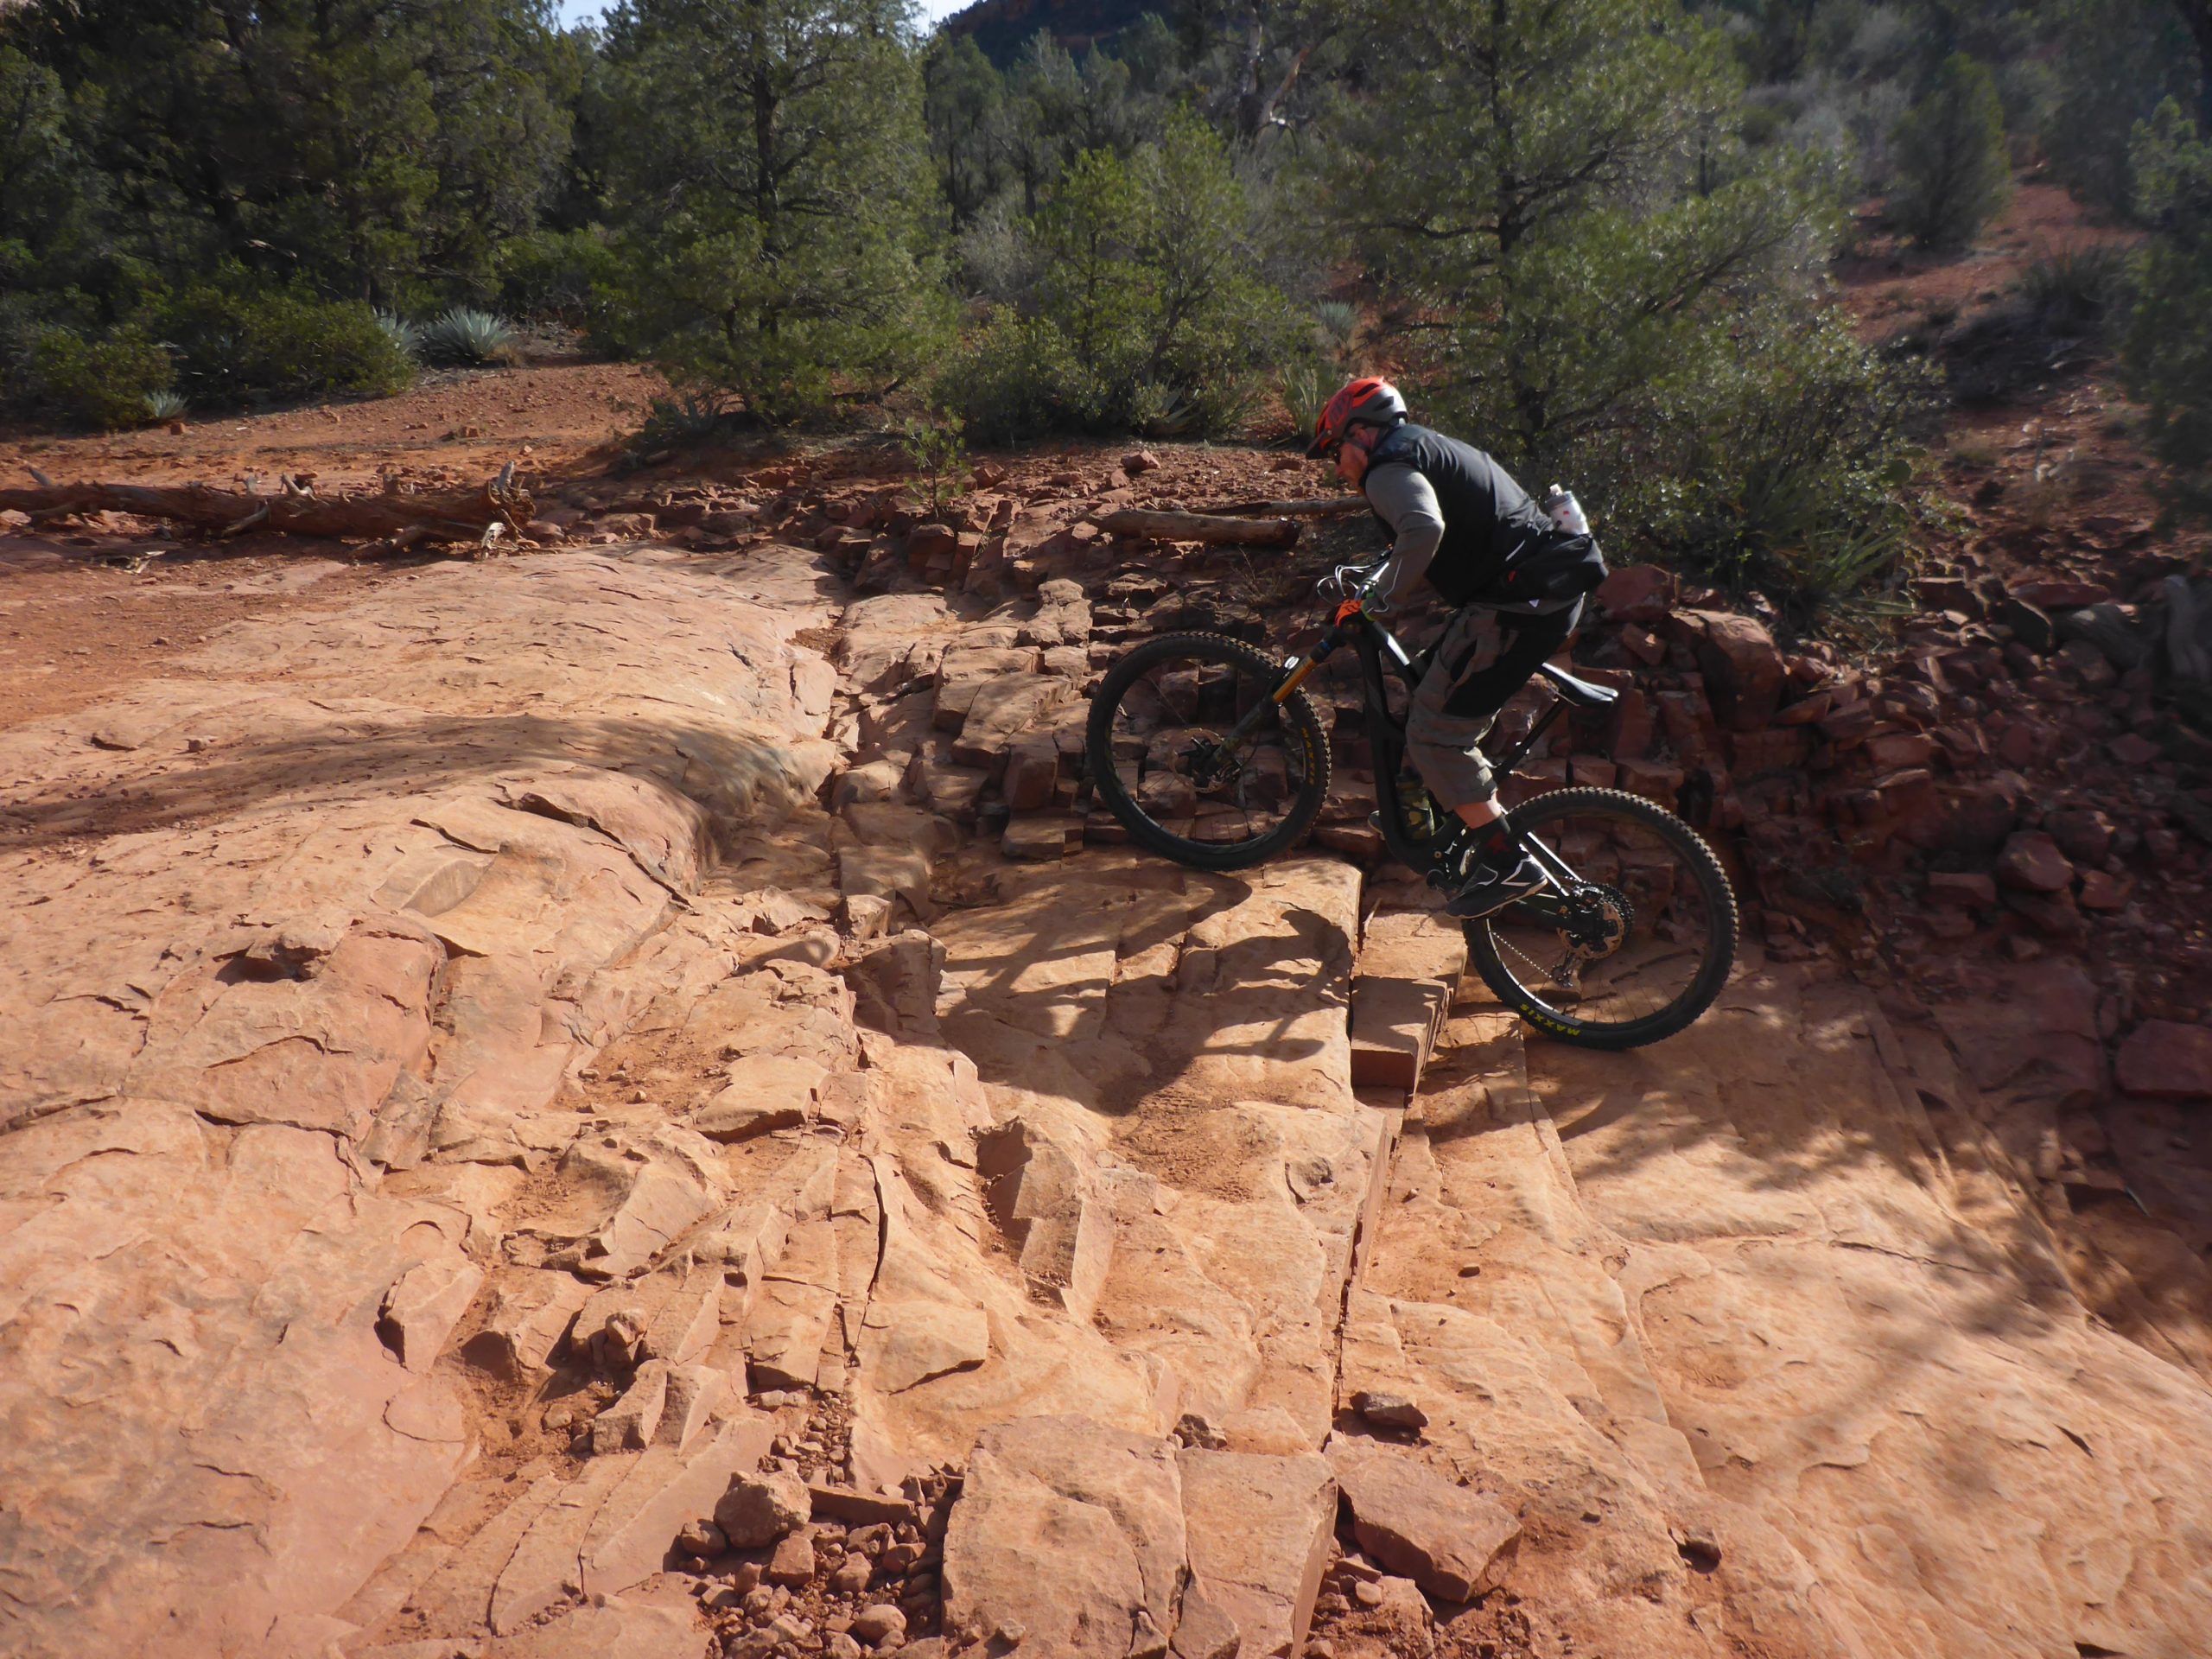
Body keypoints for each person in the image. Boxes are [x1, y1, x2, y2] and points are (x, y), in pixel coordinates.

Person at [1306, 376, 1597, 918]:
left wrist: (1378, 603)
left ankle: (1509, 864)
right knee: (1429, 683)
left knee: (1437, 734)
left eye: (1335, 452)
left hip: (1518, 610)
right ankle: (1429, 809)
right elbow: (1432, 530)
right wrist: (1378, 579)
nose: (1338, 469)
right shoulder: (1423, 447)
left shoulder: (1386, 469)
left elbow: (1423, 527)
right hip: (1538, 597)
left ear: (1362, 434)